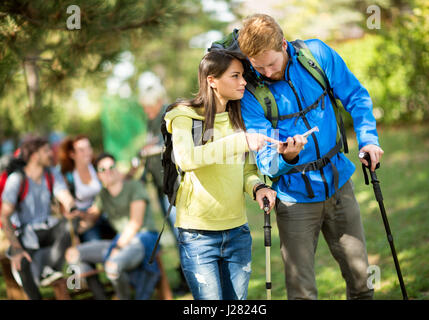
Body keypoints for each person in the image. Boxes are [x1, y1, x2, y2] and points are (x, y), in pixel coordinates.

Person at [235, 14, 384, 300]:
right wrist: (286, 157)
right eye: (258, 66)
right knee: (302, 293)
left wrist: (368, 139)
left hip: (339, 184)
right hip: (294, 200)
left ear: (284, 44)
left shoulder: (316, 55)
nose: (266, 72)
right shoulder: (250, 93)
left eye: (271, 63)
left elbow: (356, 96)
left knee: (361, 281)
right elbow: (265, 158)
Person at [164, 49, 279, 300]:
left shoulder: (238, 119)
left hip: (237, 232)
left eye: (243, 76)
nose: (243, 82)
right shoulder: (186, 116)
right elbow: (187, 159)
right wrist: (241, 142)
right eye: (235, 76)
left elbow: (247, 171)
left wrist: (258, 188)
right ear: (212, 80)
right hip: (198, 236)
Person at [65, 153, 161, 300]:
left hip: (142, 239)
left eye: (111, 167)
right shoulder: (103, 195)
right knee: (74, 254)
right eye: (103, 169)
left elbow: (135, 223)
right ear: (98, 175)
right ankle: (100, 295)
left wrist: (117, 249)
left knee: (112, 267)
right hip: (121, 241)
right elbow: (92, 217)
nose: (108, 171)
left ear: (117, 169)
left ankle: (123, 297)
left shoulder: (134, 186)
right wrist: (77, 216)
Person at [128, 76, 189, 294]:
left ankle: (191, 277)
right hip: (162, 187)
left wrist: (151, 149)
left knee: (183, 233)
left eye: (147, 107)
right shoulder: (150, 121)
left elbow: (171, 145)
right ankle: (186, 276)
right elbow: (148, 150)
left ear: (156, 103)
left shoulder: (166, 114)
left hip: (175, 185)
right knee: (176, 233)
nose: (146, 111)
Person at [0, 136, 80, 300]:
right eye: (46, 151)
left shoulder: (51, 174)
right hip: (26, 234)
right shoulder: (16, 180)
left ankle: (49, 269)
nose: (51, 154)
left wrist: (72, 207)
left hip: (48, 228)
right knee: (21, 263)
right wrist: (16, 248)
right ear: (35, 156)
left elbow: (65, 196)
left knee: (71, 223)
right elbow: (5, 216)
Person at [59, 135, 116, 242]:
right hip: (82, 218)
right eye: (81, 150)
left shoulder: (96, 168)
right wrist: (85, 216)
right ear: (72, 154)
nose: (87, 152)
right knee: (94, 243)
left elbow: (112, 186)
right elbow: (66, 211)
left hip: (102, 211)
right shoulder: (68, 177)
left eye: (89, 148)